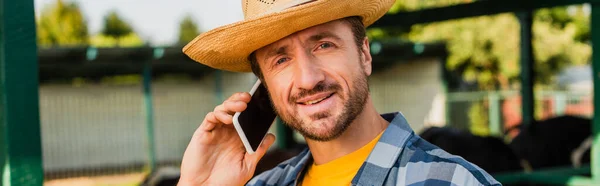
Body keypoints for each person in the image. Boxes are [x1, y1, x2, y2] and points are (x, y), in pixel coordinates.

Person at [177, 0, 501, 185]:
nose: (307, 78)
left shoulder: (452, 182)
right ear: (265, 85)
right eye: (281, 59)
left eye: (324, 44)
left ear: (364, 54)